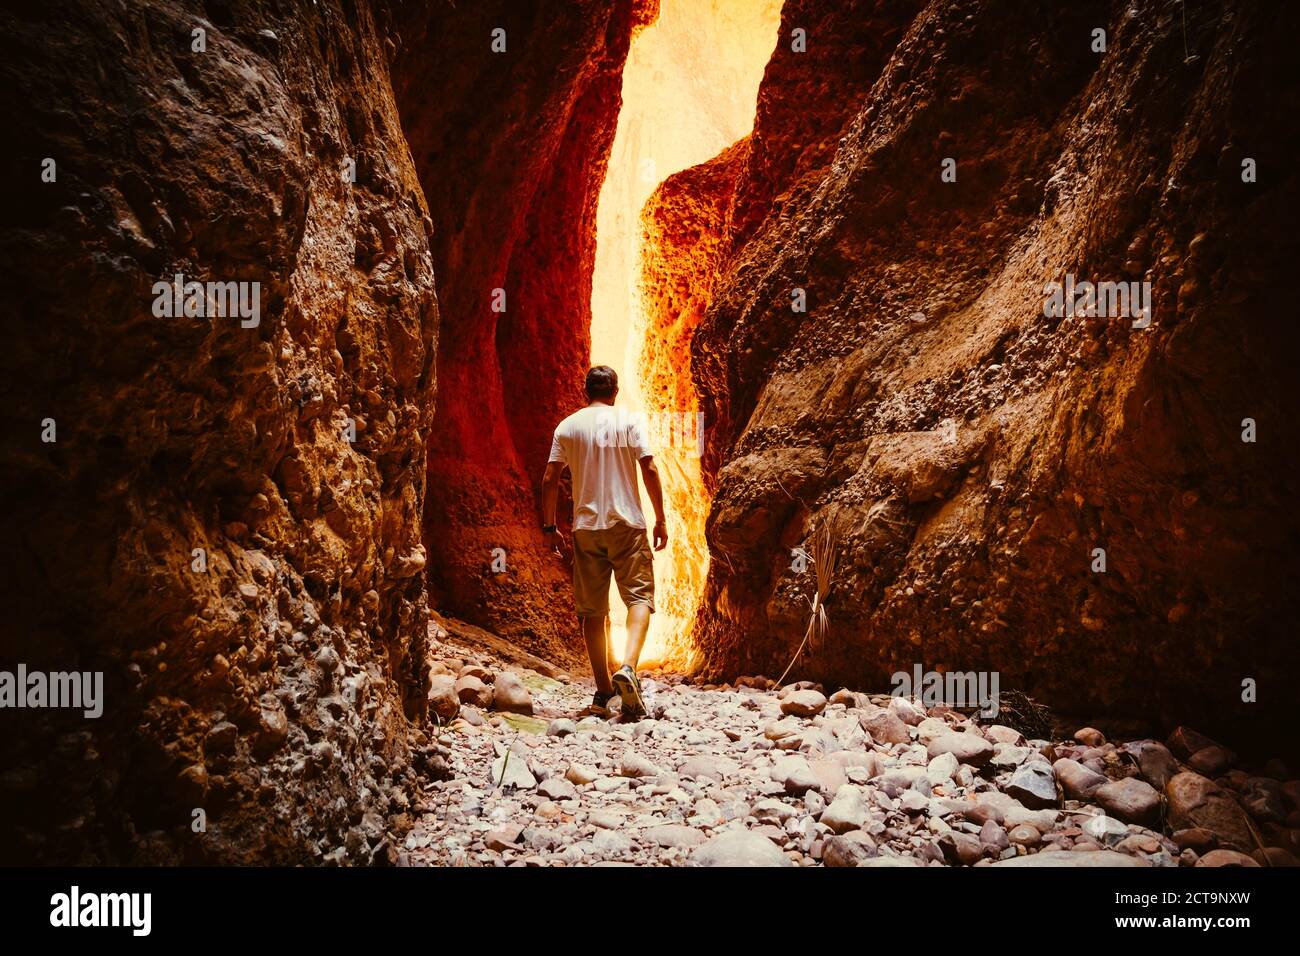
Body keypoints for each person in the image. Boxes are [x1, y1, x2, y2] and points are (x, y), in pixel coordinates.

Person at [541, 365, 667, 719]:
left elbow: (551, 477)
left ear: (586, 392)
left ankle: (601, 690)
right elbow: (650, 469)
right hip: (627, 523)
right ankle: (628, 667)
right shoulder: (628, 421)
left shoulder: (567, 426)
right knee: (639, 597)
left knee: (592, 611)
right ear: (614, 392)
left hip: (586, 528)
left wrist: (549, 526)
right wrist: (660, 518)